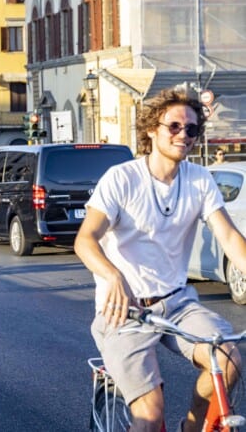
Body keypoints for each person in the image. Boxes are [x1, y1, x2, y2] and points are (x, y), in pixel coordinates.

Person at [74, 89, 246, 432]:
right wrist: (113, 277)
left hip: (178, 303)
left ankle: (192, 428)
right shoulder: (122, 179)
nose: (183, 135)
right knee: (150, 416)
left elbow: (228, 237)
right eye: (174, 126)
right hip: (126, 311)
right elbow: (85, 240)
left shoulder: (199, 180)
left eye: (192, 129)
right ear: (153, 129)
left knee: (228, 361)